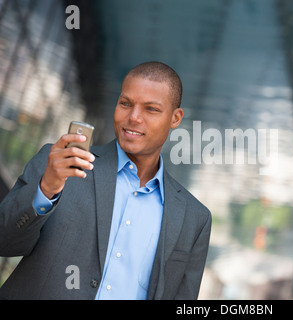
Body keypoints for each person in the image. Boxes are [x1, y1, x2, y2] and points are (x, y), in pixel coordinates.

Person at [0, 61, 212, 300]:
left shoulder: (194, 218)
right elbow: (4, 243)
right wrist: (47, 188)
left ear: (175, 118)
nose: (133, 117)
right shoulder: (61, 165)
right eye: (125, 103)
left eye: (151, 109)